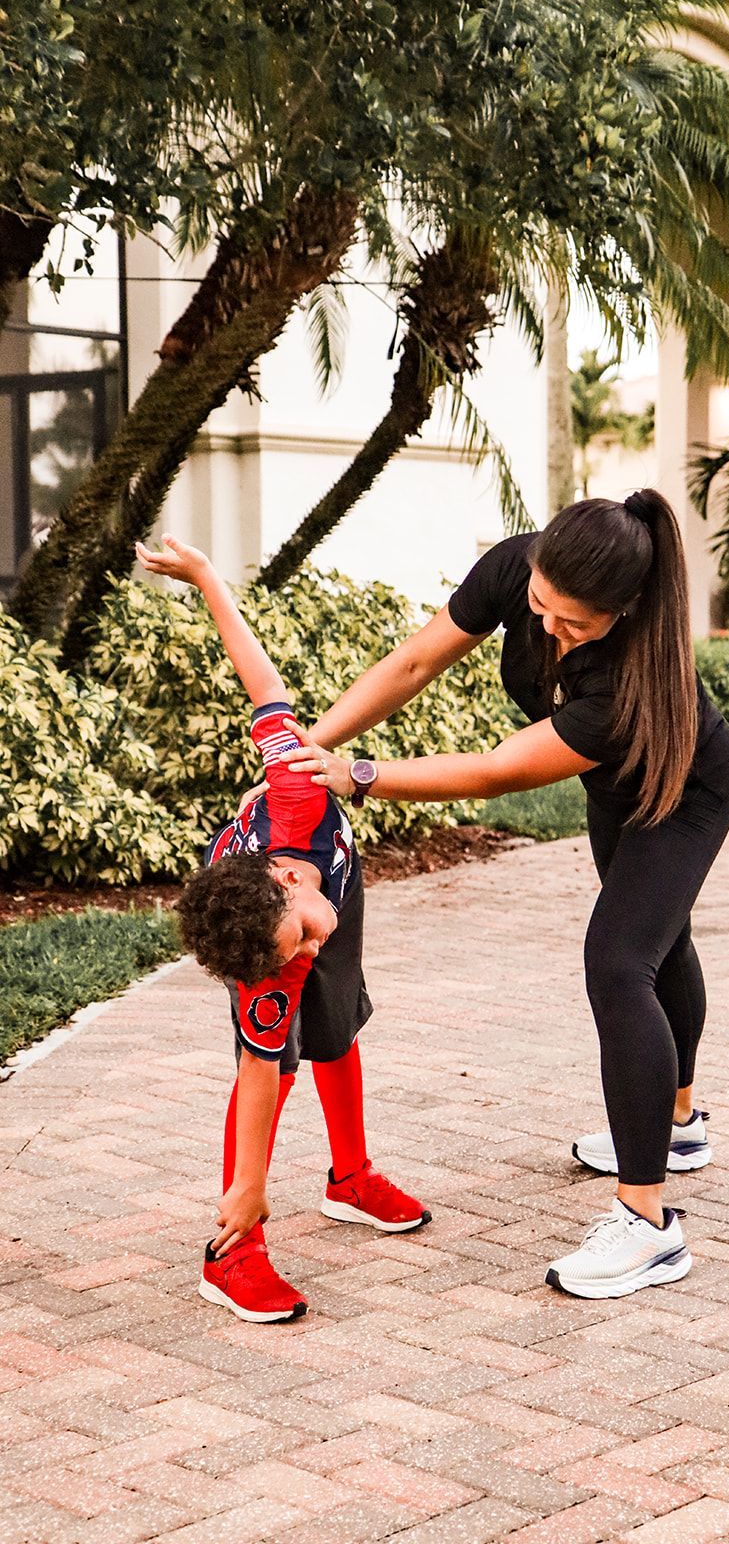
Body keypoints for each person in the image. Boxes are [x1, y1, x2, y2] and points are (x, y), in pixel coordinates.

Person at [274, 491, 729, 1299]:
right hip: (611, 786)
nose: (550, 632)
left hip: (683, 789)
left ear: (624, 612)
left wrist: (359, 776)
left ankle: (647, 1224)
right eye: (540, 609)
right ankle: (677, 1124)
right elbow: (414, 662)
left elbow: (495, 771)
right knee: (657, 941)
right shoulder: (516, 566)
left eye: (576, 624)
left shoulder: (629, 678)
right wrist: (311, 744)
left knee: (619, 961)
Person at [135, 535, 428, 1325]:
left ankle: (349, 1177)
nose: (309, 952)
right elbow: (260, 1079)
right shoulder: (270, 952)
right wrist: (253, 1189)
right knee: (268, 1054)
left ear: (289, 881)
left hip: (334, 880)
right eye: (296, 951)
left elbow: (259, 679)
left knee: (336, 1025)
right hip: (281, 906)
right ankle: (235, 1252)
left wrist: (203, 575)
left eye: (301, 938)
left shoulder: (295, 787)